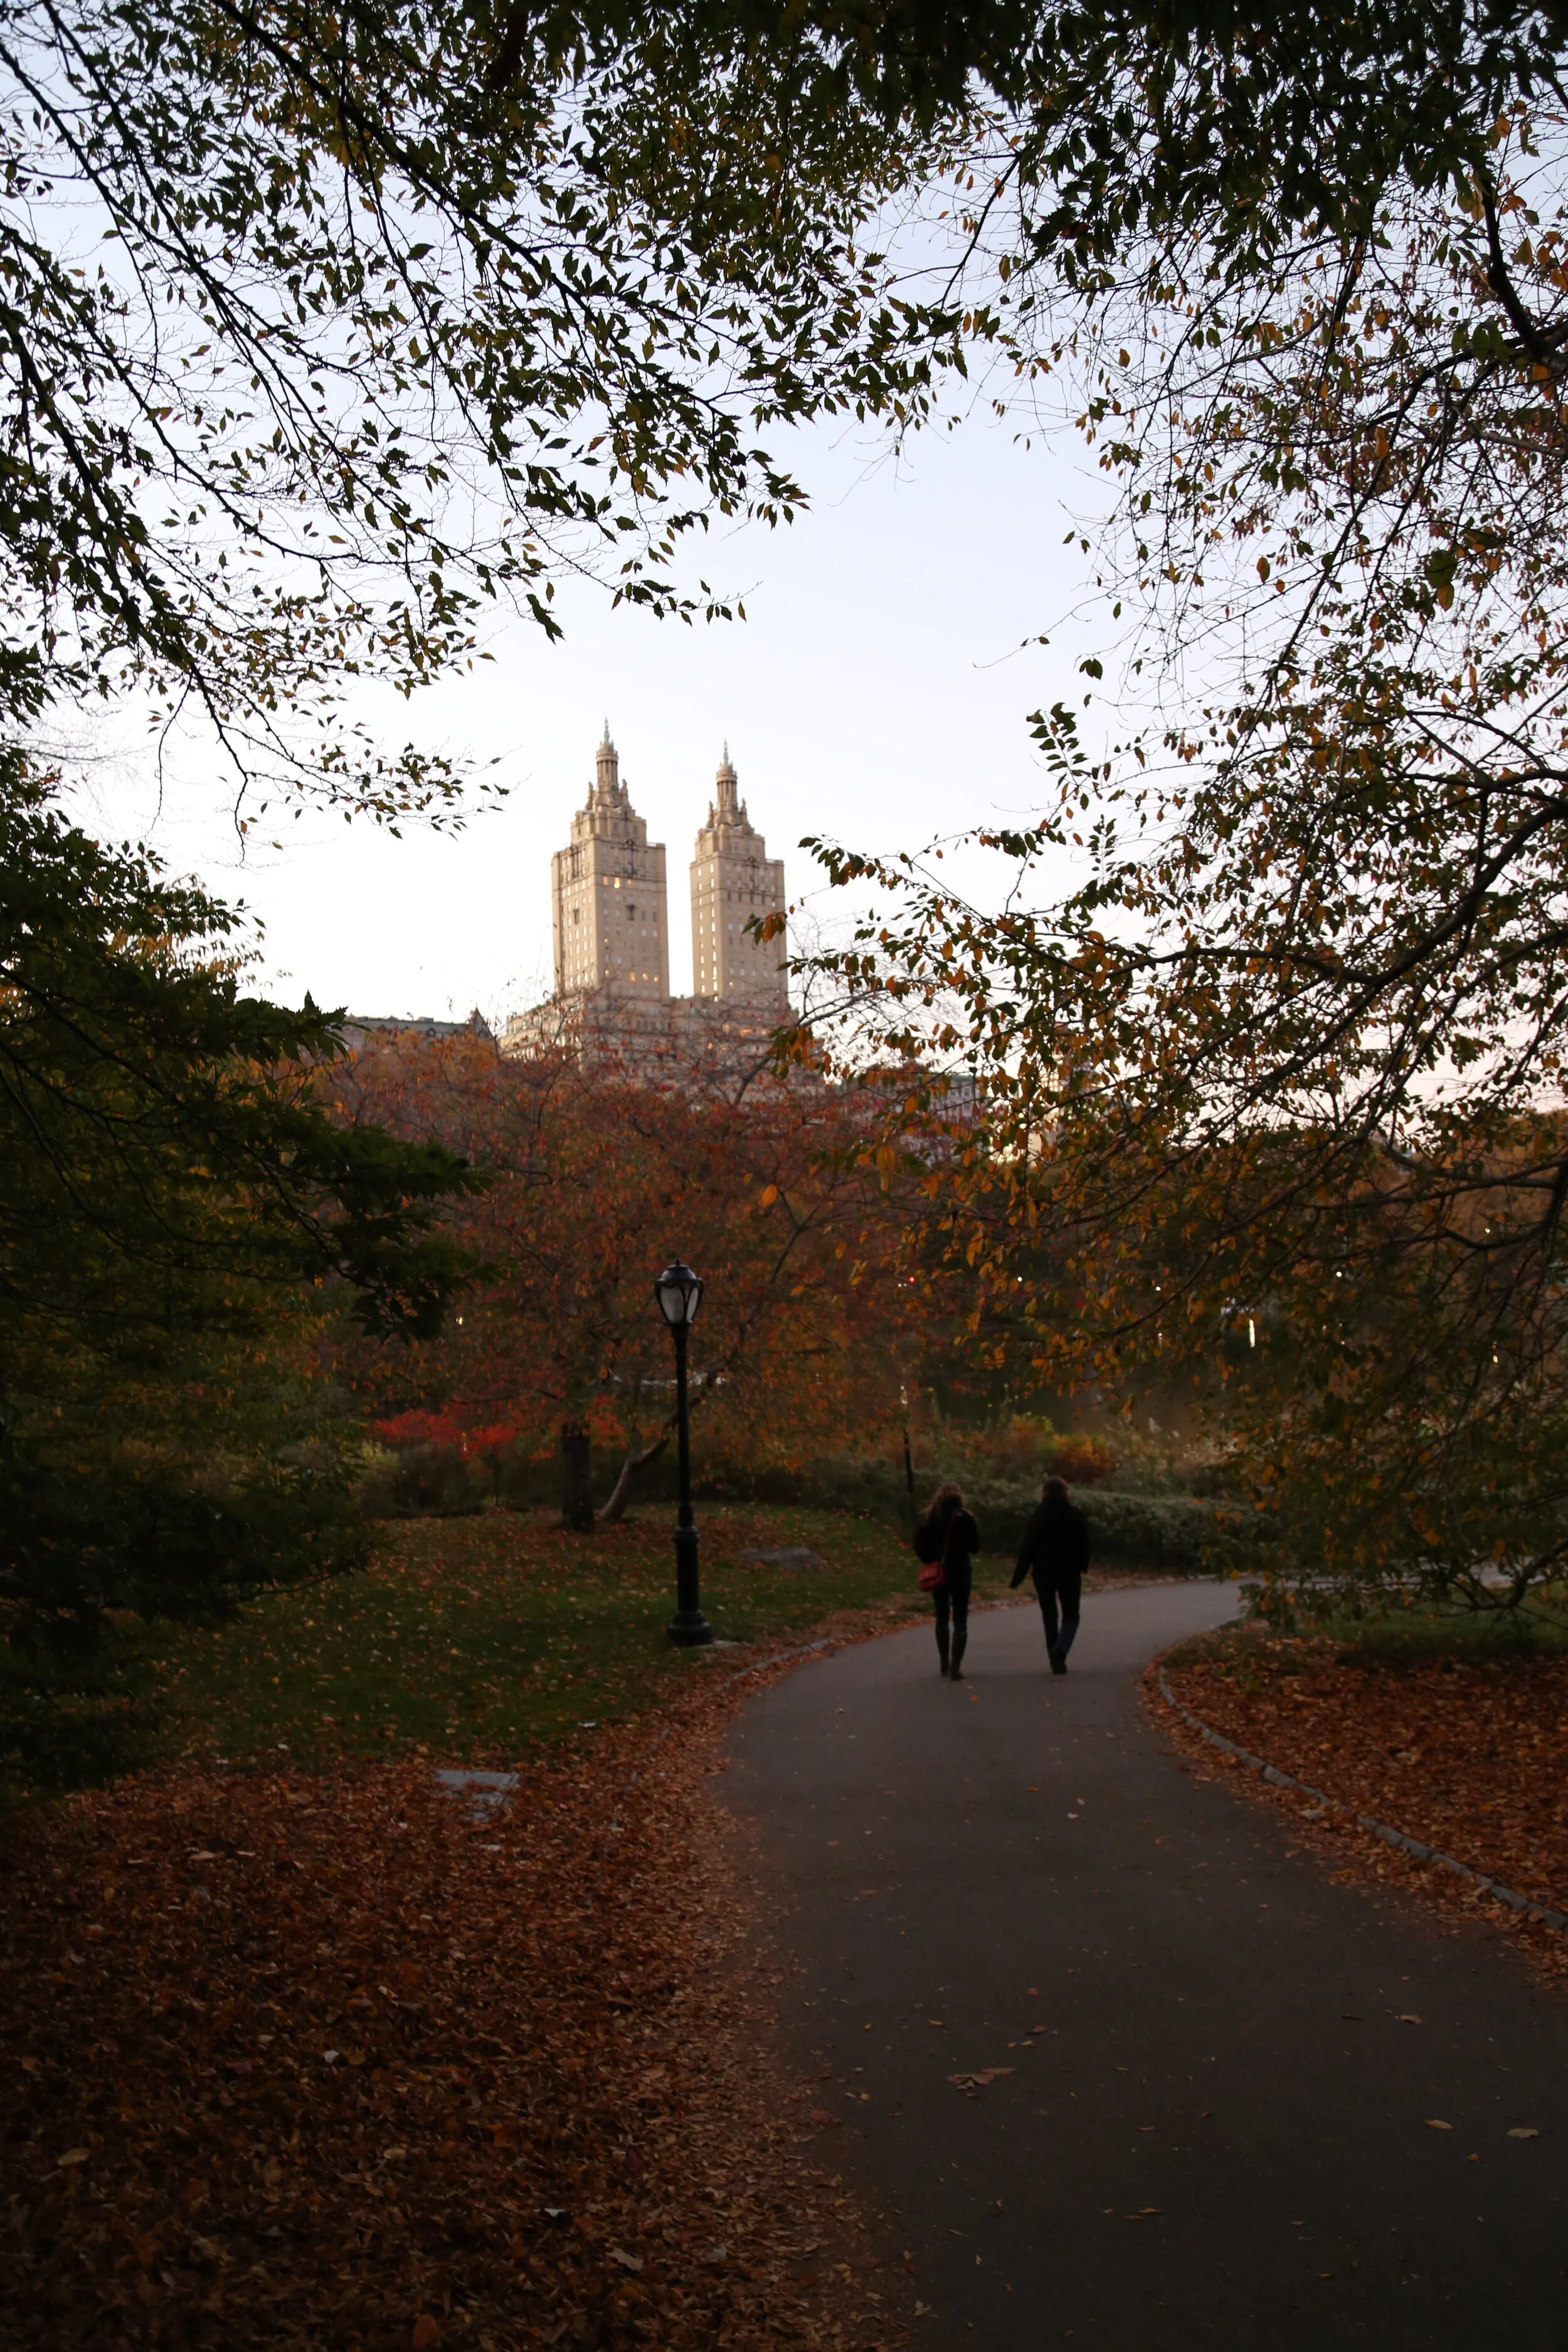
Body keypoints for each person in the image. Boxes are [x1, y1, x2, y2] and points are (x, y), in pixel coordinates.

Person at [1011, 1474, 1090, 1673]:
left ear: (1045, 1492)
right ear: (1065, 1492)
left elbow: (1028, 1547)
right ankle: (1061, 1650)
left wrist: (1018, 1576)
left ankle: (1054, 1659)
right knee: (1071, 1615)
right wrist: (1082, 1565)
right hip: (1069, 1572)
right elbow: (1084, 1544)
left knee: (1049, 1615)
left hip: (1044, 1572)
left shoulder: (1039, 1515)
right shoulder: (1075, 1515)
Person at [913, 1481, 981, 1680]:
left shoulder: (928, 1517)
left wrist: (931, 1561)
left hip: (939, 1574)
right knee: (960, 1619)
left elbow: (918, 1545)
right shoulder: (966, 1518)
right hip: (961, 1573)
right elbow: (976, 1546)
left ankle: (943, 1661)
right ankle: (955, 1667)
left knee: (942, 1616)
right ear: (960, 1497)